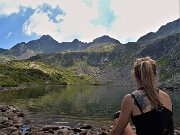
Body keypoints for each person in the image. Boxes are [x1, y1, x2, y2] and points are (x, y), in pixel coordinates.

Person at [110, 57, 174, 135]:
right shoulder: (166, 96)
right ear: (154, 75)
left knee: (118, 116)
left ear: (134, 75)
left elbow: (117, 132)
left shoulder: (131, 99)